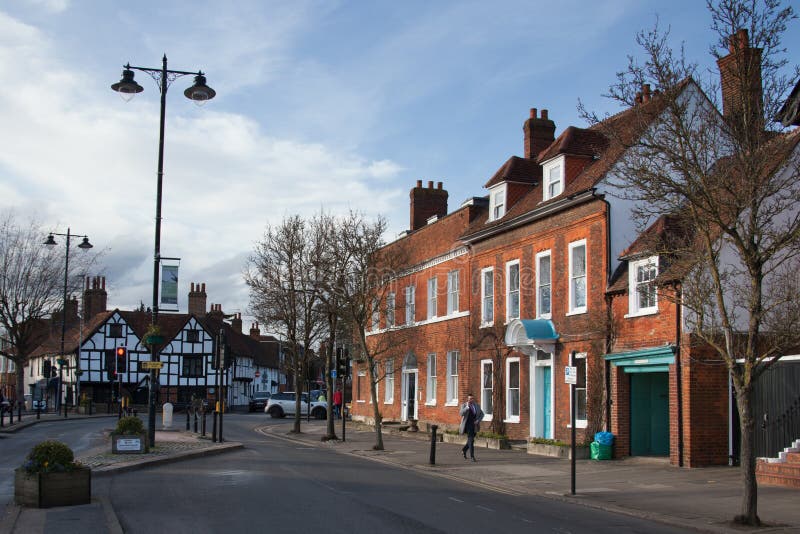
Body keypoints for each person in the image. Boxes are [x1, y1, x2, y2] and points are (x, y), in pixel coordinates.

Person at [459, 393, 484, 462]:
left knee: (471, 440)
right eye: (470, 399)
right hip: (467, 425)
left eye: (472, 398)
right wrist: (467, 408)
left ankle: (464, 450)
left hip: (474, 425)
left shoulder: (476, 405)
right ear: (468, 399)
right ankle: (472, 456)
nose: (471, 400)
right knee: (471, 439)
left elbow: (482, 414)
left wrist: (478, 420)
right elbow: (461, 413)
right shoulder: (464, 405)